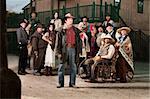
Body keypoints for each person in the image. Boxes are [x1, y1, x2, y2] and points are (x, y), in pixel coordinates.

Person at [56, 13, 82, 88]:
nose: (71, 20)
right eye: (70, 19)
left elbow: (79, 41)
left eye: (72, 19)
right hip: (64, 49)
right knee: (61, 66)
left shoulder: (75, 30)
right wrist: (58, 52)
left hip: (73, 49)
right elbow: (58, 42)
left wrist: (79, 51)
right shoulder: (61, 30)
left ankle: (72, 83)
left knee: (73, 66)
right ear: (66, 20)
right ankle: (60, 83)